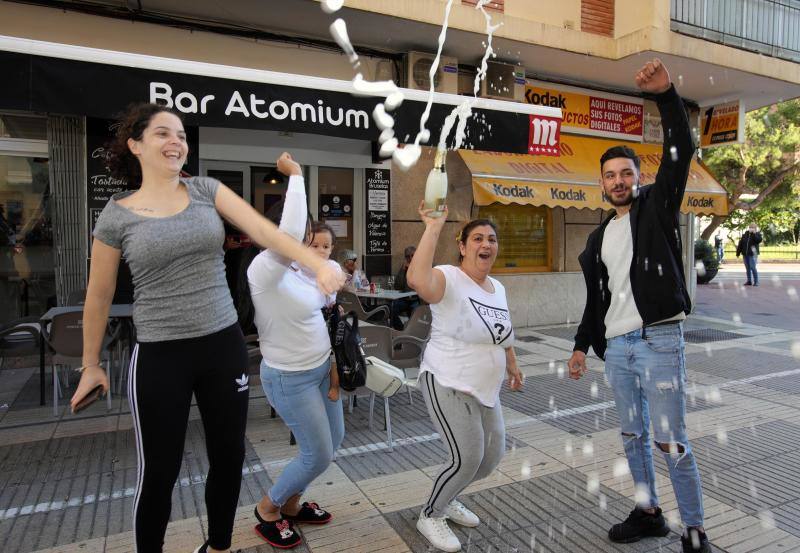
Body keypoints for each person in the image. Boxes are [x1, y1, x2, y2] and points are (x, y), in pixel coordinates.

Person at [70, 104, 343, 553]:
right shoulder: (117, 215)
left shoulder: (205, 190)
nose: (176, 141)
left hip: (222, 346)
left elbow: (263, 230)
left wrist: (316, 263)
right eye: (163, 133)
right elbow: (97, 295)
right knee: (160, 470)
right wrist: (89, 364)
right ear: (136, 145)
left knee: (229, 458)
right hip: (161, 353)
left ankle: (217, 547)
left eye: (181, 134)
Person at [566, 59, 711, 553]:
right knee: (632, 434)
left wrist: (666, 94)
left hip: (659, 339)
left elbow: (681, 149)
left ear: (637, 176)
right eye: (610, 175)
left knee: (670, 439)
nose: (619, 180)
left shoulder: (657, 205)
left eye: (626, 172)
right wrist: (583, 345)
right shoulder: (598, 237)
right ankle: (649, 512)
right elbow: (597, 300)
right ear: (601, 184)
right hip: (619, 348)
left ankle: (694, 529)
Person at [407, 206, 524, 552]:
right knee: (466, 458)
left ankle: (449, 496)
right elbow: (417, 280)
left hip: (487, 389)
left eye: (491, 239)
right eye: (477, 238)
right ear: (462, 246)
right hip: (447, 380)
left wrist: (512, 364)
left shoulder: (496, 287)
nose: (485, 244)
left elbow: (502, 333)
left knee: (491, 457)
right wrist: (433, 227)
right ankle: (430, 514)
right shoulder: (448, 277)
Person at [247, 154, 345, 549]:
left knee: (332, 443)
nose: (304, 242)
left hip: (321, 370)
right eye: (300, 234)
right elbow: (288, 233)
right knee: (317, 453)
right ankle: (268, 509)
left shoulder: (302, 273)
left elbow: (322, 316)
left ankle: (291, 504)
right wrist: (298, 177)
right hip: (289, 378)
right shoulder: (265, 269)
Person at [390, 245, 421, 330]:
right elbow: (397, 286)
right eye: (407, 256)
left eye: (412, 255)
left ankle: (411, 333)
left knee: (415, 318)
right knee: (391, 309)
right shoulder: (404, 268)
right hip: (404, 299)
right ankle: (401, 330)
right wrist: (403, 270)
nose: (410, 258)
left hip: (416, 300)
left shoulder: (421, 267)